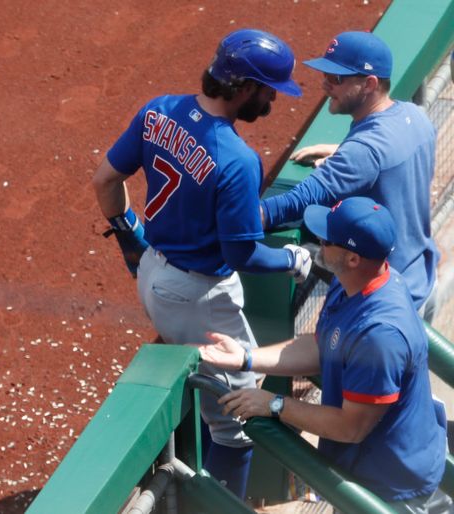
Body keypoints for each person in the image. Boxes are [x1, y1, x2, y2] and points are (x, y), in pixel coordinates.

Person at [92, 29, 312, 499]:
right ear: (245, 87)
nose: (273, 99)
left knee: (217, 398)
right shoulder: (237, 159)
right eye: (270, 89)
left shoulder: (158, 109)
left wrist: (129, 236)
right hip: (198, 299)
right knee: (239, 421)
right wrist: (290, 259)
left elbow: (105, 179)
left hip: (153, 269)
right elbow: (242, 254)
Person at [200, 196, 447, 512]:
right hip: (372, 472)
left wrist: (275, 404)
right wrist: (247, 357)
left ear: (353, 258)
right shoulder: (352, 283)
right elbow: (322, 345)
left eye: (327, 239)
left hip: (393, 493)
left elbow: (350, 427)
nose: (318, 240)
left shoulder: (380, 335)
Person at [260, 31, 440, 321]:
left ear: (369, 84)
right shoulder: (413, 116)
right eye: (326, 75)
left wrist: (251, 216)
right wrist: (343, 150)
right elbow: (385, 153)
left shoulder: (364, 152)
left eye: (337, 79)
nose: (325, 85)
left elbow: (299, 200)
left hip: (386, 305)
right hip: (421, 279)